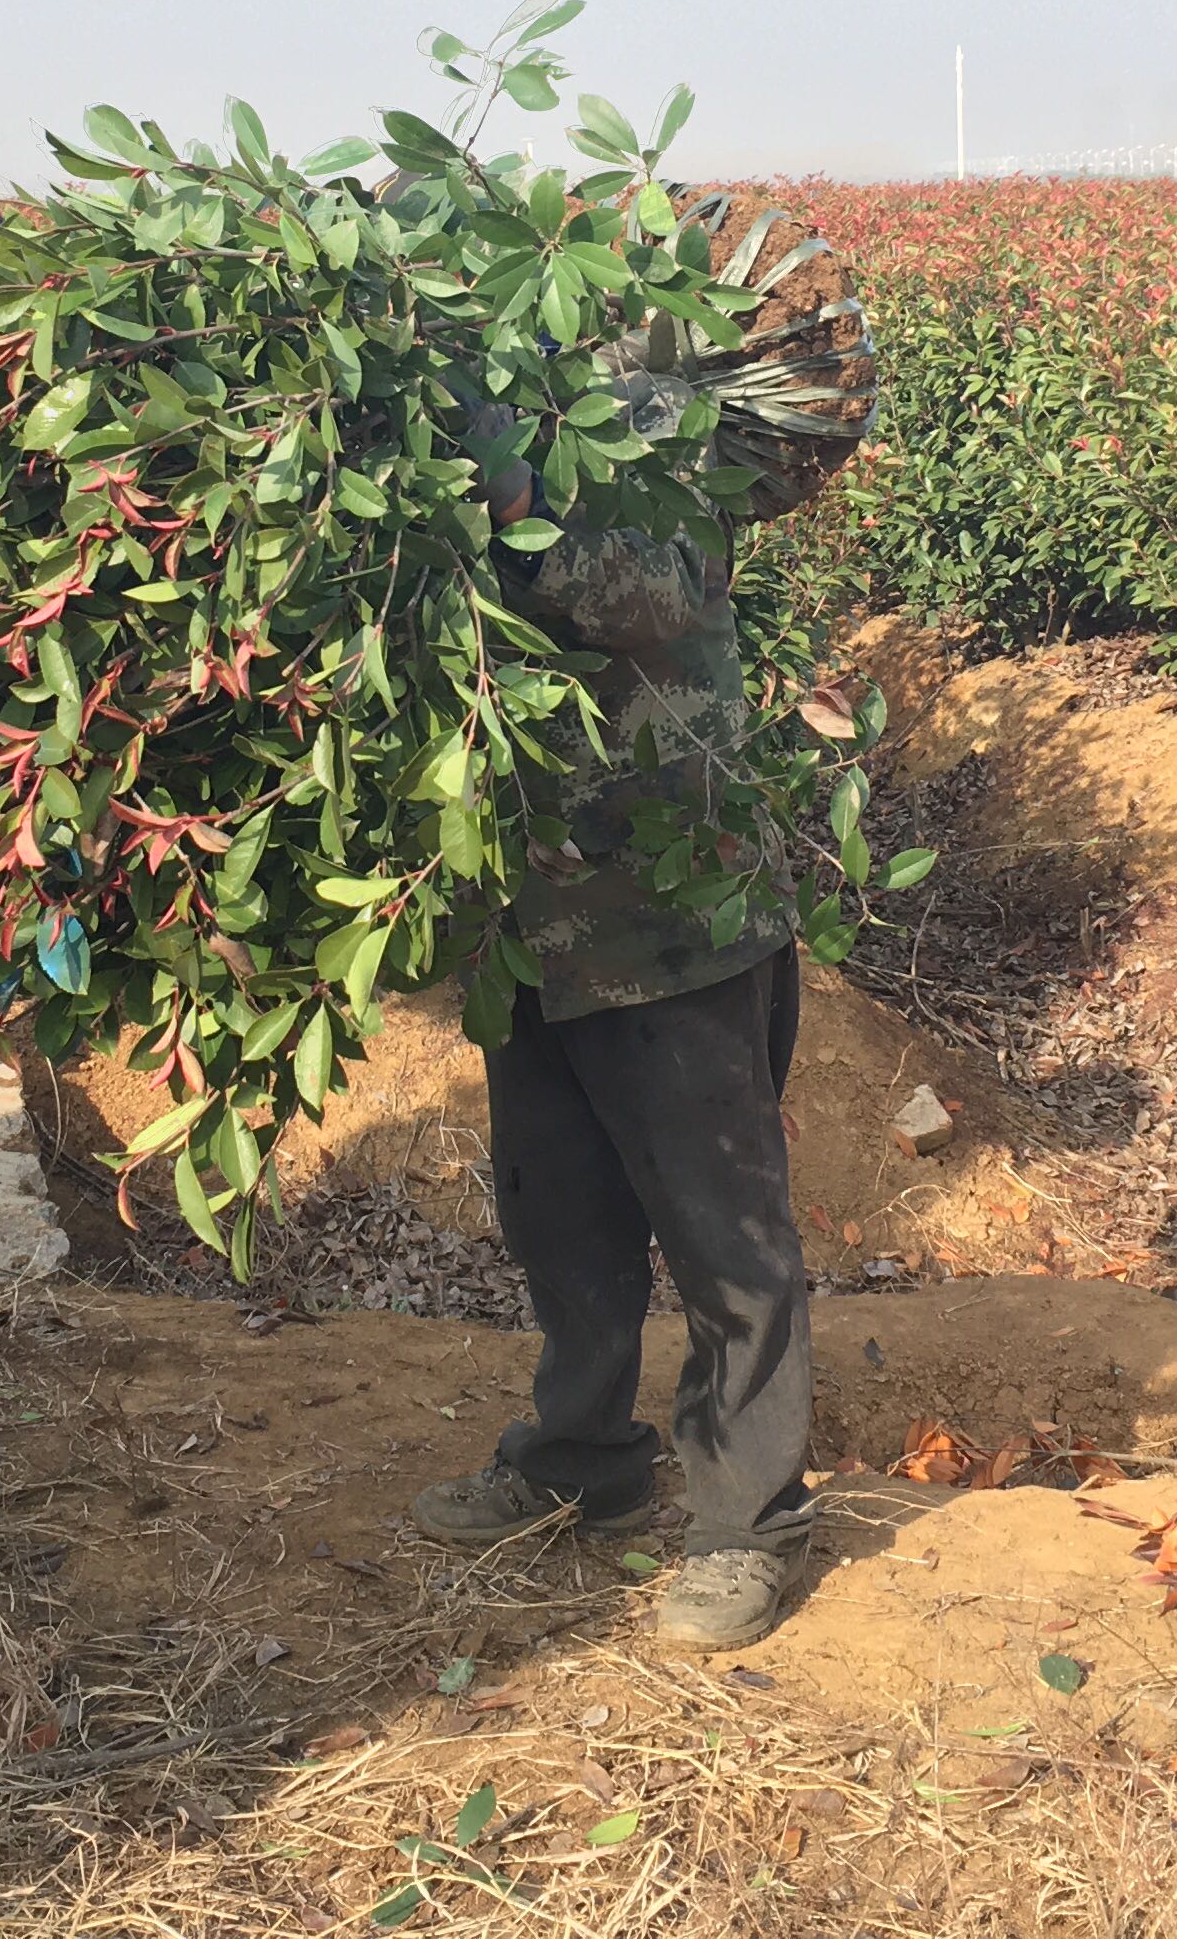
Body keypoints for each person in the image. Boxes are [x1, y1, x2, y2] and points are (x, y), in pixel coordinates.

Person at [405, 373, 817, 1653]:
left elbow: (652, 592)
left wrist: (517, 495)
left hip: (672, 925)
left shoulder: (663, 440)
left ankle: (754, 1522)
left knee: (724, 1243)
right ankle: (580, 1459)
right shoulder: (490, 401)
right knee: (560, 1221)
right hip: (529, 925)